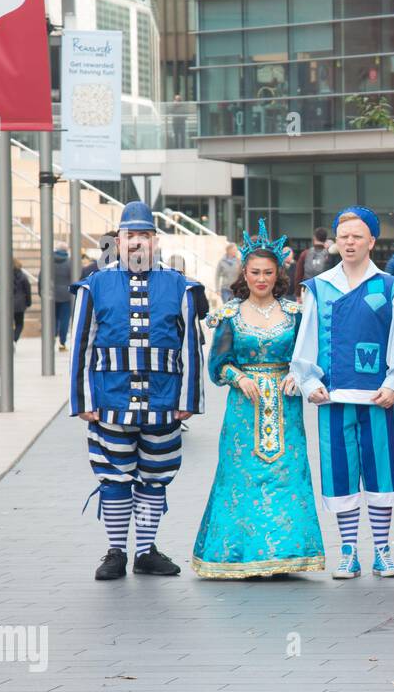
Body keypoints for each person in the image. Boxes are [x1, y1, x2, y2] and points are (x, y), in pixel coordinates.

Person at [68, 201, 205, 581]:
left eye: (144, 235)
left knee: (155, 476)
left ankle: (145, 550)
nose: (136, 242)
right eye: (130, 235)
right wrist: (83, 400)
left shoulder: (181, 285)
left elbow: (191, 346)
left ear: (155, 240)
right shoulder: (94, 284)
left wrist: (188, 400)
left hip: (164, 401)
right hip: (110, 400)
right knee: (114, 477)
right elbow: (81, 343)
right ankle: (116, 551)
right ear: (119, 239)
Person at [191, 220, 326, 578]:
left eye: (268, 272)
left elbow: (310, 354)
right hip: (243, 410)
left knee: (287, 476)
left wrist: (298, 375)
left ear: (277, 274)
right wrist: (238, 377)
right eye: (255, 272)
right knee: (241, 477)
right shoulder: (230, 315)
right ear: (244, 274)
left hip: (287, 407)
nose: (261, 279)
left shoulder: (296, 315)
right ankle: (239, 554)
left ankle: (286, 555)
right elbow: (217, 365)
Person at [289, 205, 394, 580]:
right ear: (335, 242)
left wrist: (393, 383)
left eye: (357, 236)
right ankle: (347, 551)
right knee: (340, 474)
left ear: (372, 240)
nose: (350, 242)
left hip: (377, 397)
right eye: (344, 237)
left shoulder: (391, 286)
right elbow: (305, 339)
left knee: (382, 475)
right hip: (334, 398)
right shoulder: (319, 287)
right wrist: (309, 382)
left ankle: (383, 551)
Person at [44, 241, 74, 350]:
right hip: (66, 295)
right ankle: (62, 342)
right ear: (66, 250)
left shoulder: (48, 261)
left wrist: (41, 292)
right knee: (65, 319)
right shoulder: (70, 263)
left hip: (51, 294)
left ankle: (52, 338)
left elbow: (42, 277)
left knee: (53, 318)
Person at [294, 227, 333, 292]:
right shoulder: (329, 255)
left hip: (308, 289)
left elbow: (298, 275)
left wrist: (298, 293)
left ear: (314, 238)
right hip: (324, 290)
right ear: (326, 239)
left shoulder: (305, 253)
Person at [11, 261, 32, 342]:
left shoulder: (5, 276)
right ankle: (14, 339)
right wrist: (28, 302)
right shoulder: (23, 277)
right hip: (20, 304)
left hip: (8, 304)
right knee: (19, 324)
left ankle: (11, 338)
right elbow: (27, 290)